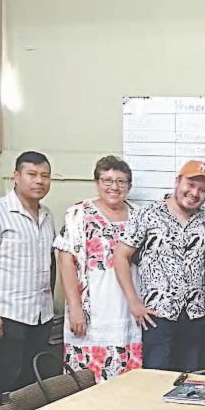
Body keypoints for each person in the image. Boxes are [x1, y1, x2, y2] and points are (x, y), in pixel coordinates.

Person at [114, 159, 205, 372]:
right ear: (177, 182)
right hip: (158, 315)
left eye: (202, 190)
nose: (195, 193)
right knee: (157, 378)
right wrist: (134, 302)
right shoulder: (148, 214)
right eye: (190, 185)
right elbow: (121, 255)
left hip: (195, 315)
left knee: (193, 378)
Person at [0, 151, 56, 407]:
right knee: (8, 379)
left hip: (41, 314)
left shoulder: (47, 215)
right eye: (32, 174)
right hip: (9, 314)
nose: (39, 181)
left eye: (45, 176)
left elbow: (50, 263)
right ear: (16, 176)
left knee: (34, 380)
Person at [55, 155, 142, 382]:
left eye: (121, 181)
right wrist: (75, 307)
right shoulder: (78, 214)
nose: (114, 187)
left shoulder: (139, 215)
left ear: (129, 186)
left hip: (127, 308)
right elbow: (66, 261)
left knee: (127, 379)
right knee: (88, 379)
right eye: (107, 180)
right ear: (97, 183)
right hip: (92, 308)